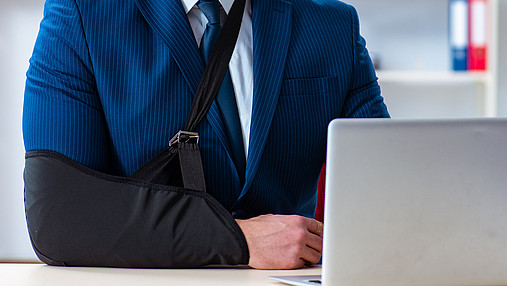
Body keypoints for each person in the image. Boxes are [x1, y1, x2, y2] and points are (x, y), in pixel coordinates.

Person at [23, 0, 389, 270]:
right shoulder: (83, 13)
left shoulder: (332, 25)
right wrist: (237, 240)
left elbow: (391, 189)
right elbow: (58, 216)